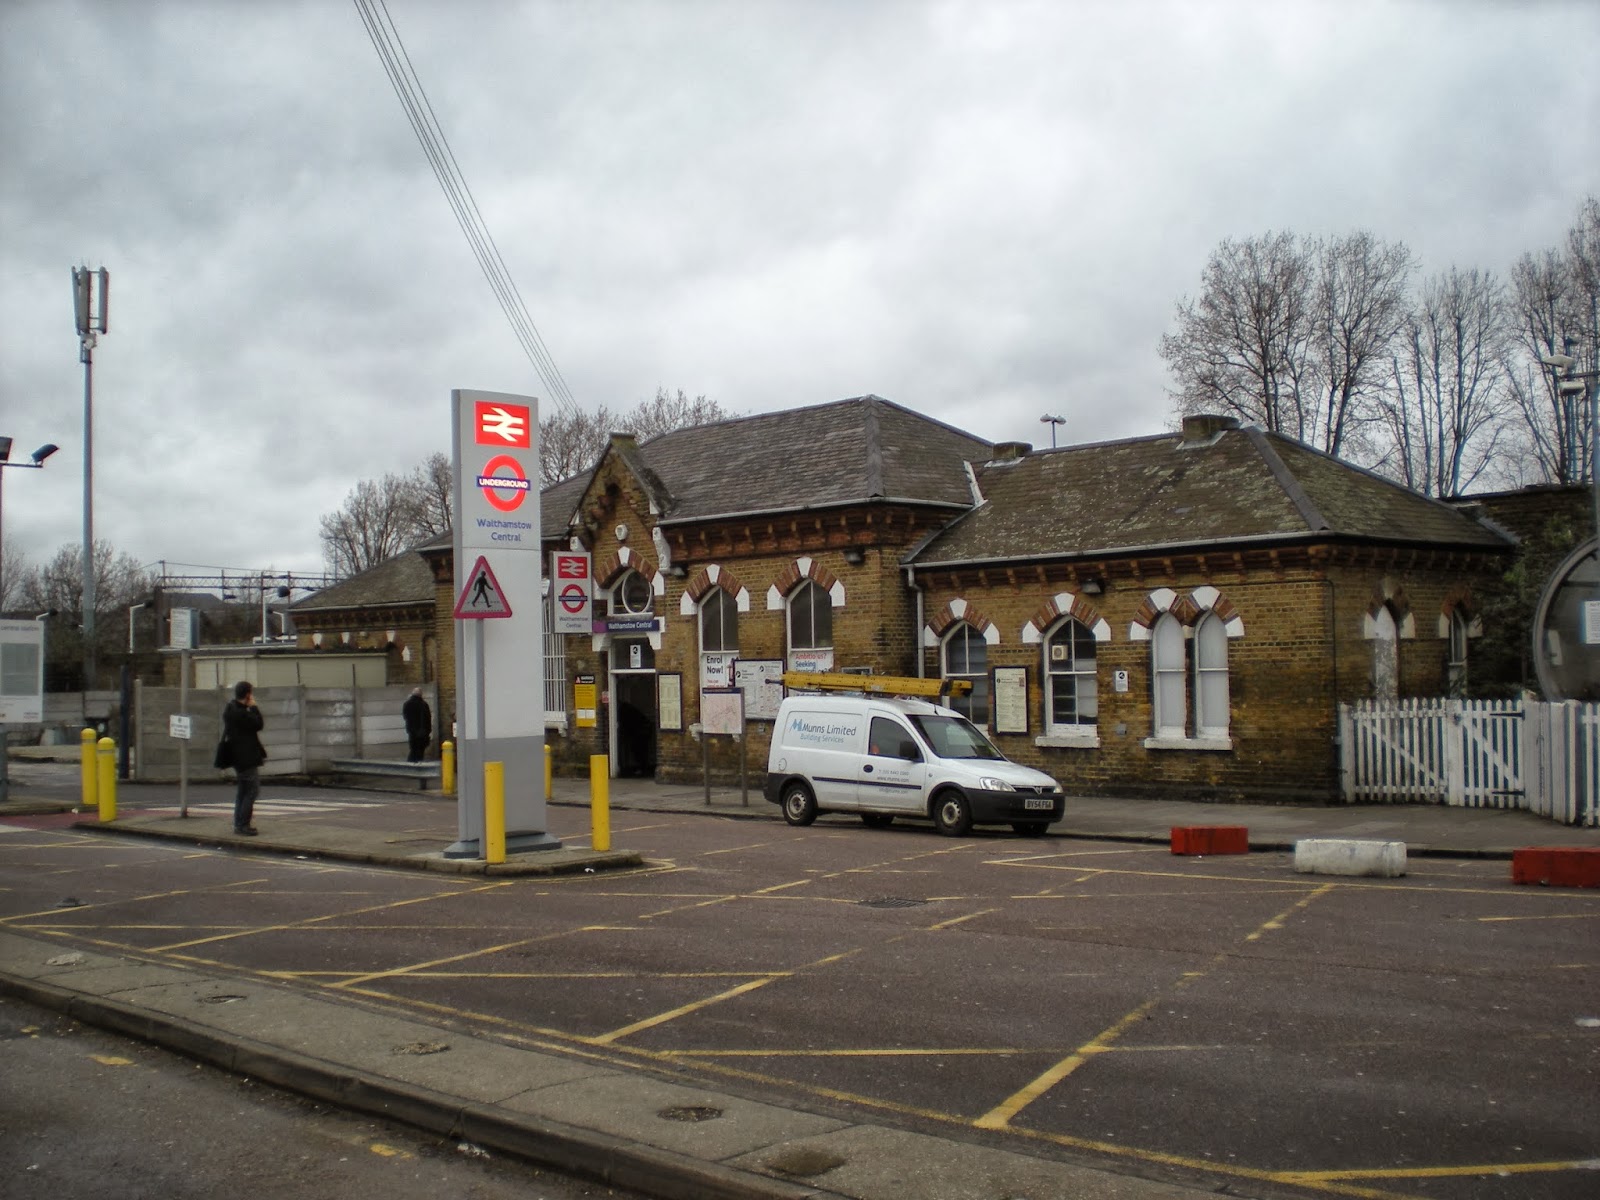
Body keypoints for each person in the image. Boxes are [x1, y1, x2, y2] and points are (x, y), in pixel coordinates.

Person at [222, 680, 266, 835]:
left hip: (236, 756)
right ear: (248, 694)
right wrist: (254, 707)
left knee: (242, 790)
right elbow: (258, 724)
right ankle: (243, 824)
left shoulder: (230, 709)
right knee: (252, 790)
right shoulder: (241, 713)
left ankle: (238, 822)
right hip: (246, 757)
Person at [403, 686, 432, 762]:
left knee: (413, 749)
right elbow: (428, 718)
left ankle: (411, 764)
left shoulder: (407, 704)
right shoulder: (424, 704)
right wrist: (428, 730)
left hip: (412, 731)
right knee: (421, 750)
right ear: (421, 694)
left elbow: (405, 716)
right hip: (423, 731)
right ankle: (418, 763)